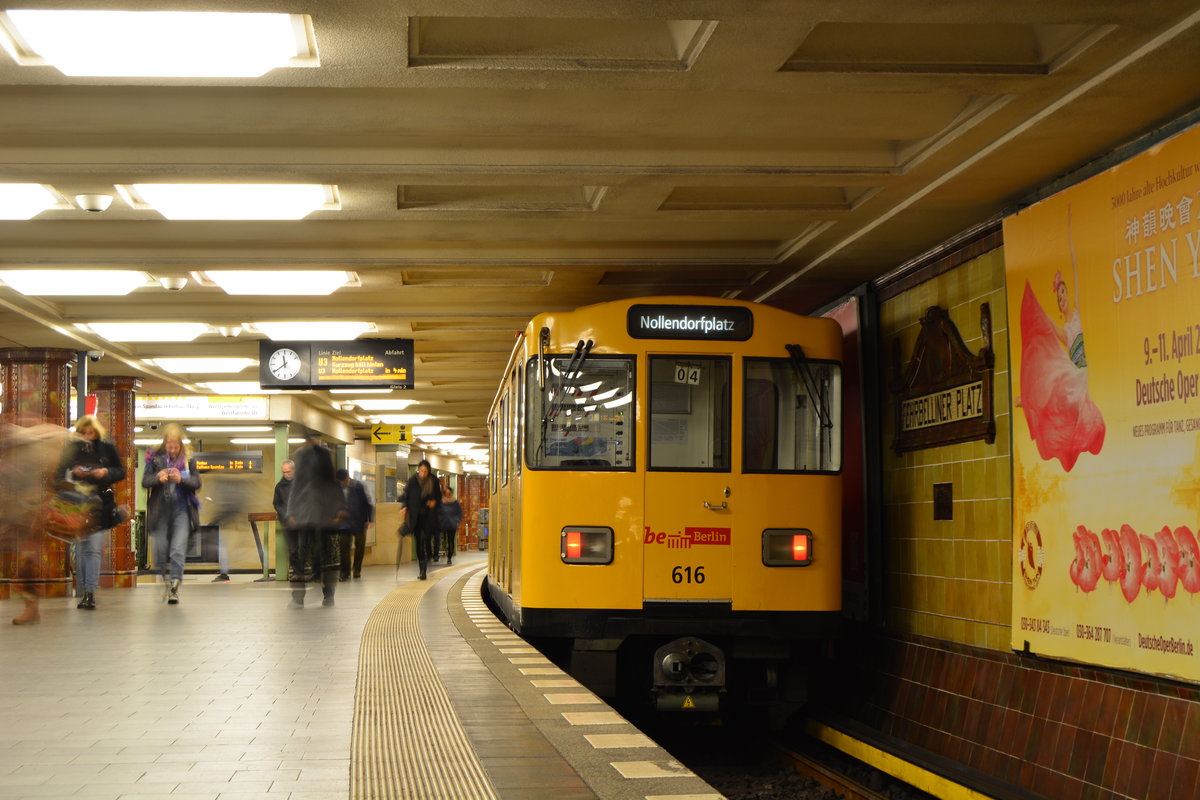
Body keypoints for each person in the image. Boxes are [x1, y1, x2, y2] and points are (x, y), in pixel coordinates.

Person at [1017, 209, 1105, 471]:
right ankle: (1033, 399)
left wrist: (1069, 234)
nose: (1063, 298)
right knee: (1056, 374)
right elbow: (1044, 325)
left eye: (1064, 293)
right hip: (1073, 376)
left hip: (1079, 373)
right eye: (1060, 297)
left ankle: (1032, 399)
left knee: (1063, 381)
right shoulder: (1064, 328)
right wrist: (1034, 308)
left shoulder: (1075, 314)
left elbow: (1076, 269)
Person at [1, 418, 71, 625]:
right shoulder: (12, 452)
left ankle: (31, 606)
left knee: (26, 561)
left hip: (26, 513)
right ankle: (30, 605)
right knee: (14, 561)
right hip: (11, 513)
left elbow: (58, 435)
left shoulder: (31, 450)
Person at [55, 415, 126, 610]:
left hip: (100, 504)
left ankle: (89, 592)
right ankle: (84, 589)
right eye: (83, 433)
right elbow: (57, 477)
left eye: (90, 433)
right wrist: (73, 473)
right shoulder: (70, 449)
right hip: (76, 505)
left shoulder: (106, 447)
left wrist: (105, 472)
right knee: (80, 550)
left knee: (93, 549)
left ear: (96, 433)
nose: (87, 436)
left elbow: (121, 471)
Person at [141, 423, 201, 604]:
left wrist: (181, 479)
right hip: (160, 511)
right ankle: (165, 578)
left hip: (182, 510)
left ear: (181, 445)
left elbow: (197, 483)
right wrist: (158, 478)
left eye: (176, 447)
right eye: (170, 446)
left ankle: (174, 584)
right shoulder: (154, 459)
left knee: (177, 549)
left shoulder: (189, 460)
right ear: (165, 444)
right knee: (159, 549)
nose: (173, 450)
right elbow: (145, 482)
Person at [284, 434, 344, 607]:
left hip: (316, 518)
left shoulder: (314, 459)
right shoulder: (310, 458)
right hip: (312, 518)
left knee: (310, 558)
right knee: (307, 558)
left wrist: (292, 512)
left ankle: (313, 596)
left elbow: (332, 486)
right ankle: (305, 596)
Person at [402, 460, 441, 580]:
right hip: (416, 515)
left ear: (429, 471)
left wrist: (434, 502)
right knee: (419, 542)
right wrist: (404, 507)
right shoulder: (412, 481)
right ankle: (422, 569)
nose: (423, 473)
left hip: (429, 515)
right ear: (418, 470)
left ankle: (429, 555)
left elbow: (438, 496)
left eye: (425, 471)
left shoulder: (433, 480)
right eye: (421, 471)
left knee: (427, 538)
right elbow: (406, 495)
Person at [336, 468, 373, 580]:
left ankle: (357, 570)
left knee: (360, 547)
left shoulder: (358, 486)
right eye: (340, 481)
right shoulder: (337, 488)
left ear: (348, 477)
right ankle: (345, 572)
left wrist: (369, 519)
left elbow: (368, 503)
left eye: (343, 481)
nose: (342, 483)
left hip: (359, 521)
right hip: (344, 523)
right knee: (344, 547)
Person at [273, 459, 299, 580]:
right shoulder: (279, 487)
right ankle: (296, 572)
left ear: (294, 470)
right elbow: (277, 504)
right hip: (288, 523)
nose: (286, 474)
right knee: (293, 549)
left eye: (288, 471)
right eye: (284, 472)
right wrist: (287, 517)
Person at [437, 485, 462, 566]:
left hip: (452, 524)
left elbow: (459, 513)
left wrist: (457, 521)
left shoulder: (455, 502)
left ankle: (449, 557)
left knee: (451, 541)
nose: (448, 494)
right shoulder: (441, 502)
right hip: (443, 524)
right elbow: (438, 512)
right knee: (443, 540)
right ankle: (443, 551)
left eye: (449, 493)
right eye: (446, 493)